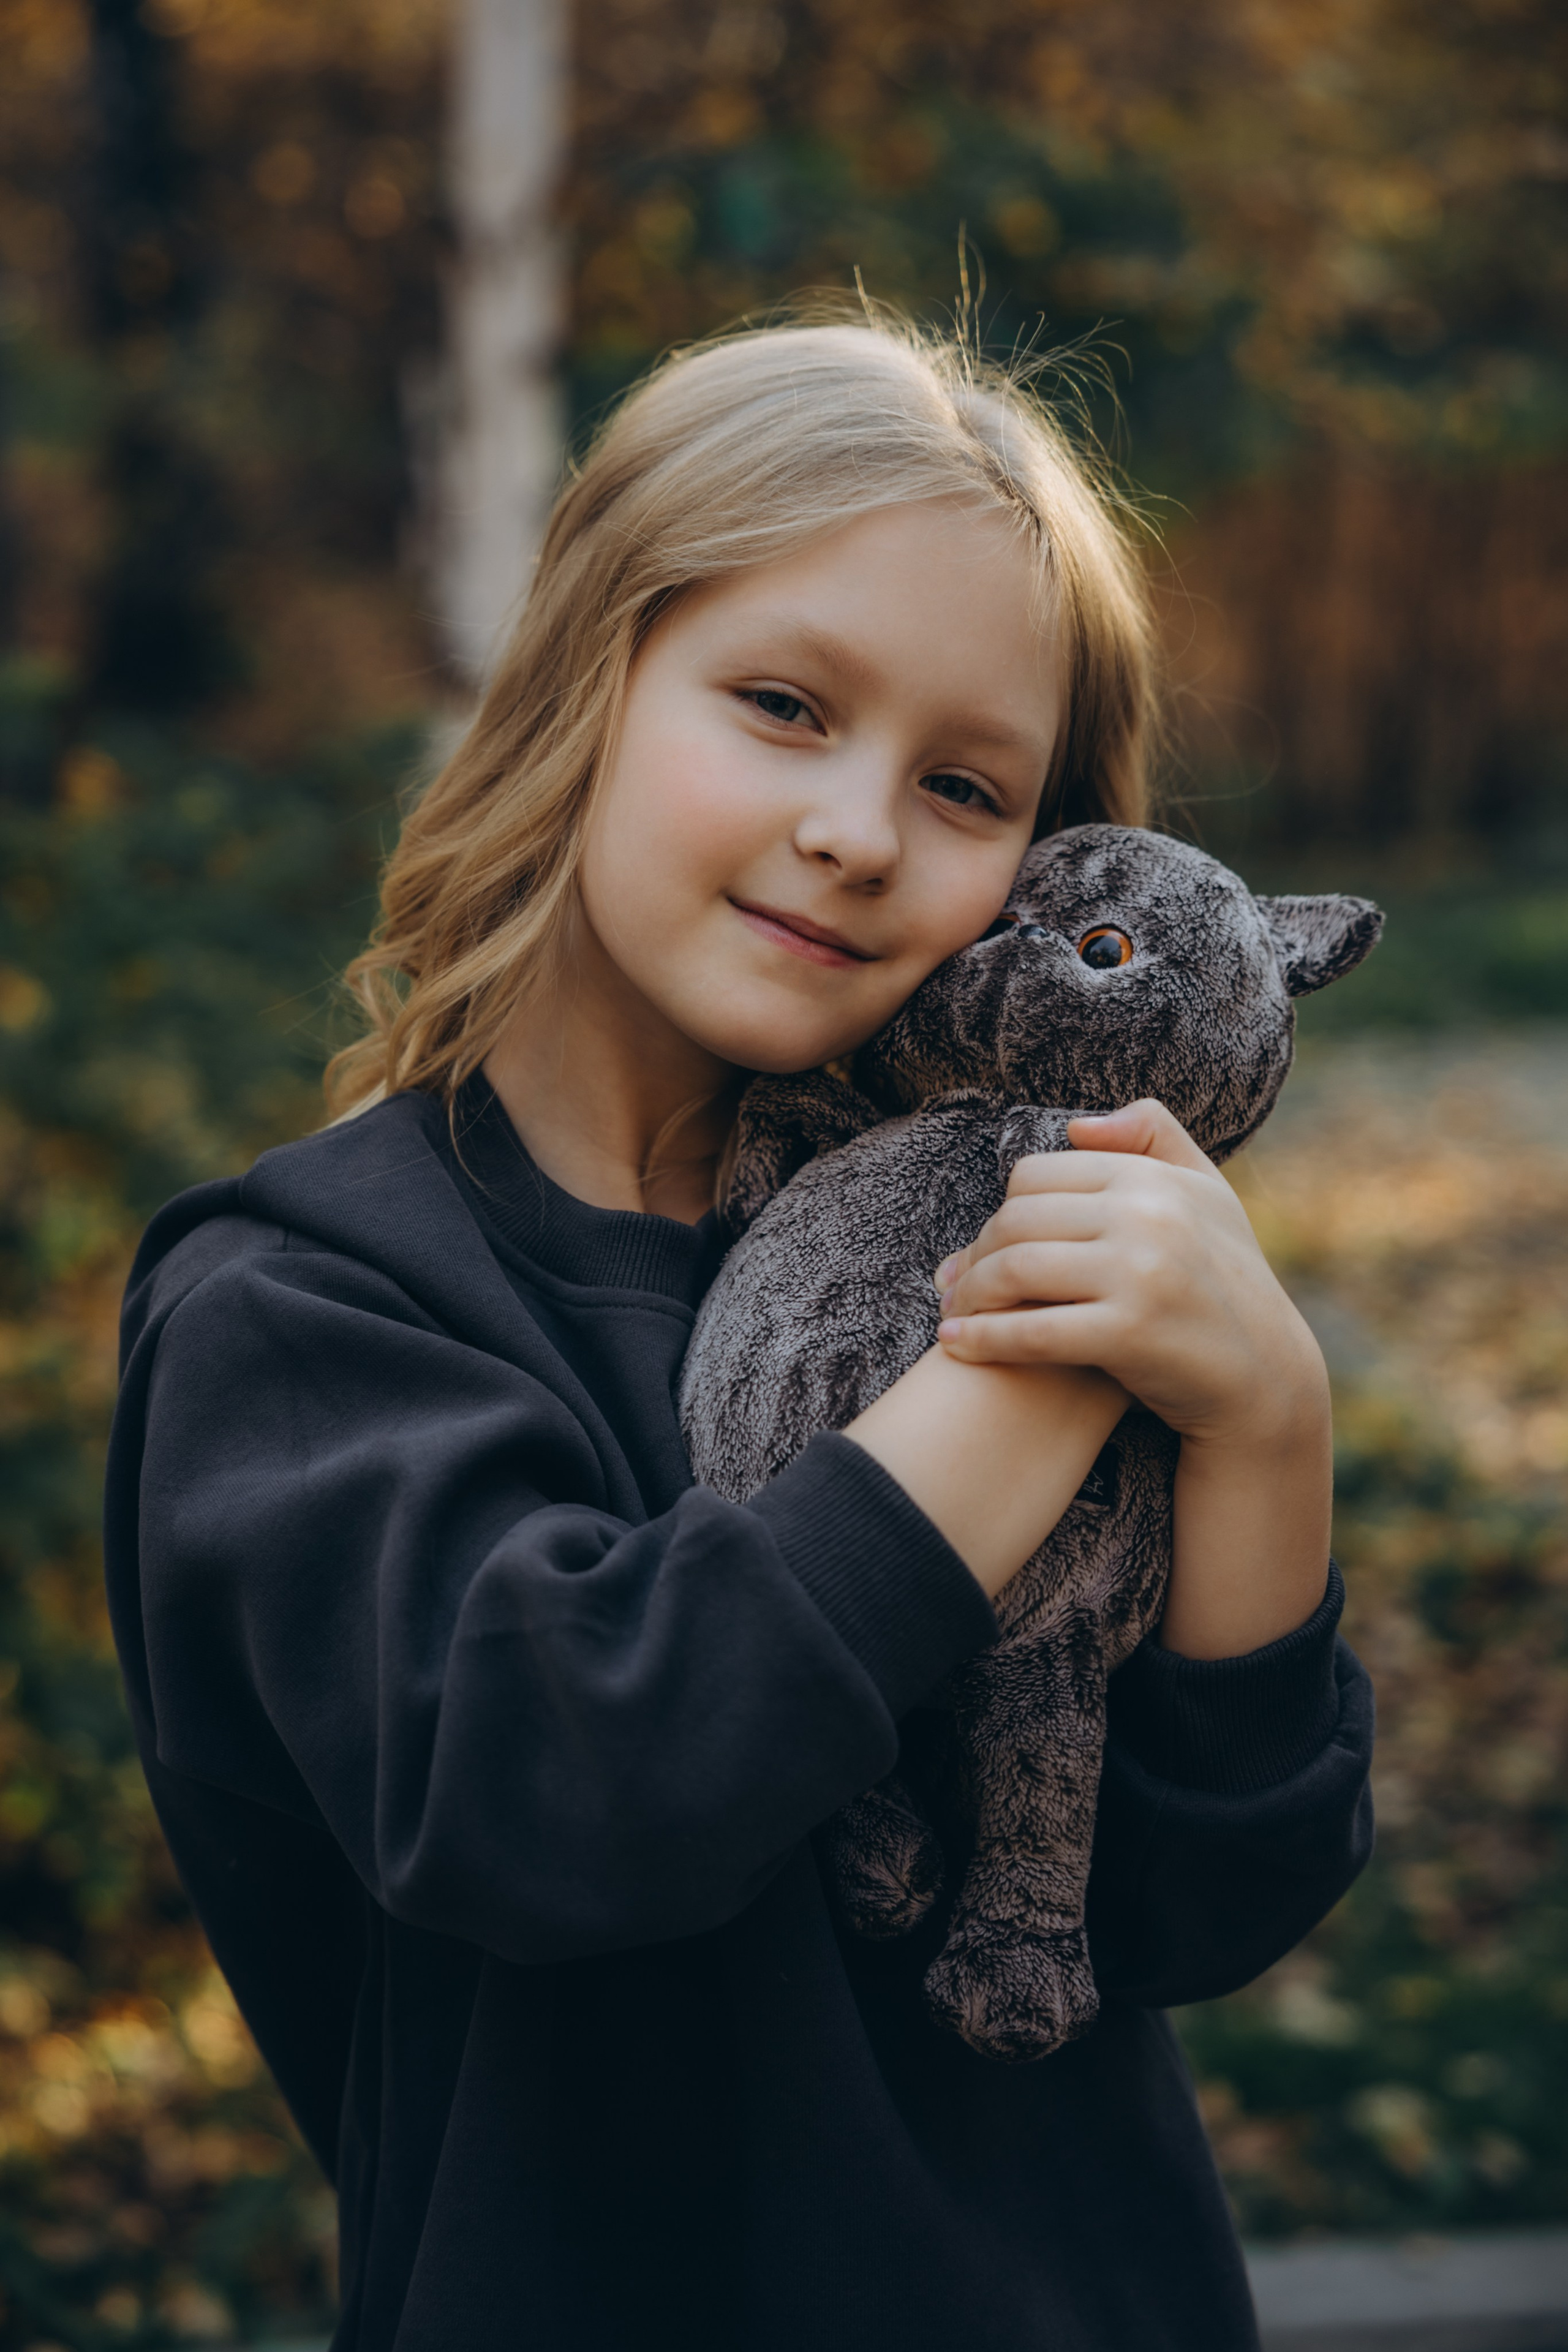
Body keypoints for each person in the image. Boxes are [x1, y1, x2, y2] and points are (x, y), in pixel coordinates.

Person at [105, 312, 1373, 2352]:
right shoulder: (305, 1312)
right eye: (784, 704)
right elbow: (559, 1792)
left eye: (965, 784)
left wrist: (1270, 1429)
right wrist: (1022, 1369)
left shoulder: (1014, 1235)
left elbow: (1190, 1907)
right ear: (585, 680)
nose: (863, 828)